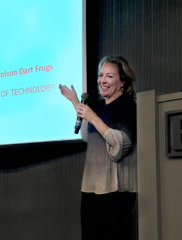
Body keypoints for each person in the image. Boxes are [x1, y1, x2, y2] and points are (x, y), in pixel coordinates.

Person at [59, 56, 137, 240]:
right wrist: (75, 101)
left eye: (109, 76)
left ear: (122, 82)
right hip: (91, 189)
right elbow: (89, 137)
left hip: (114, 193)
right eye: (100, 75)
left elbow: (120, 147)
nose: (102, 80)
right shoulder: (99, 107)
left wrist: (93, 118)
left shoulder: (127, 106)